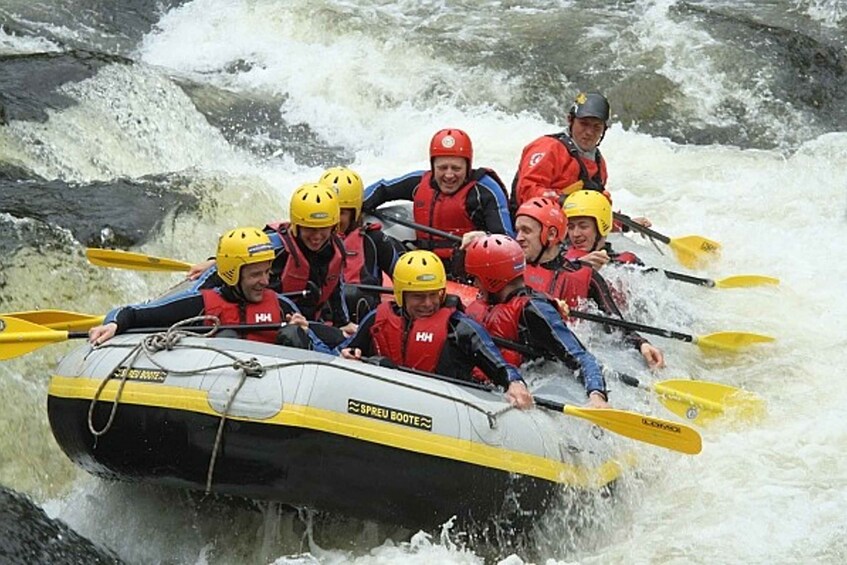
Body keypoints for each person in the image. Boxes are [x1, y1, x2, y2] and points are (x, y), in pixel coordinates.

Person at [339, 250, 533, 409]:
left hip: (446, 410)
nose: (428, 303)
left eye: (434, 295)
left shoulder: (459, 328)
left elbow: (500, 366)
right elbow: (348, 350)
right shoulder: (377, 320)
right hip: (386, 404)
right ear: (401, 294)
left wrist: (514, 383)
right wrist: (350, 355)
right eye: (419, 297)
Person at [88, 227, 333, 350]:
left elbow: (326, 352)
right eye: (255, 274)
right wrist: (113, 323)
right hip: (218, 392)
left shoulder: (281, 306)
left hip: (275, 397)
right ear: (232, 274)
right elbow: (134, 313)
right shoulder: (201, 304)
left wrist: (304, 333)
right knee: (227, 338)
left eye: (267, 272)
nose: (265, 281)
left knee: (293, 334)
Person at [187, 184, 358, 337]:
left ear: (333, 226)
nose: (317, 236)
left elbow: (336, 286)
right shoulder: (274, 245)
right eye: (310, 228)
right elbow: (236, 256)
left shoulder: (336, 248)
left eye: (323, 229)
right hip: (264, 318)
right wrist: (214, 263)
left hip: (304, 323)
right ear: (296, 225)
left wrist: (343, 322)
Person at [513, 197, 665, 370]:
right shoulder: (510, 266)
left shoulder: (585, 275)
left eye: (583, 226)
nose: (518, 238)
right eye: (571, 226)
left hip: (556, 363)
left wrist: (642, 344)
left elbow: (615, 322)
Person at [463, 234, 609, 408]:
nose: (475, 284)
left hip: (521, 388)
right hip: (480, 386)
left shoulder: (534, 311)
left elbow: (581, 357)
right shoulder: (485, 303)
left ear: (491, 279)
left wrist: (597, 394)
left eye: (476, 278)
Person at [361, 128, 514, 277]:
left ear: (468, 167)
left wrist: (484, 237)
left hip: (467, 272)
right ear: (433, 167)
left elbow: (508, 240)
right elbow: (383, 188)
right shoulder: (421, 182)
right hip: (423, 266)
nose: (449, 175)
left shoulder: (486, 191)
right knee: (373, 237)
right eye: (442, 168)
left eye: (456, 168)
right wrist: (356, 209)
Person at [509, 91, 651, 228]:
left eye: (597, 127)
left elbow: (595, 212)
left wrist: (624, 224)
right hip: (535, 231)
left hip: (572, 232)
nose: (589, 132)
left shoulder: (599, 163)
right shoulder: (547, 148)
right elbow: (527, 194)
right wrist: (568, 201)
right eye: (584, 124)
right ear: (570, 120)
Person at [318, 166, 404, 322]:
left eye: (341, 213)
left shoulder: (374, 239)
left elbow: (403, 278)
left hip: (364, 316)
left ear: (355, 213)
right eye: (329, 211)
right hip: (325, 316)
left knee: (353, 296)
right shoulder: (312, 240)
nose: (333, 219)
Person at [563, 189, 643, 268]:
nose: (575, 234)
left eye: (583, 227)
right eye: (570, 227)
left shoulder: (626, 262)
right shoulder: (561, 261)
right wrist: (579, 266)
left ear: (601, 227)